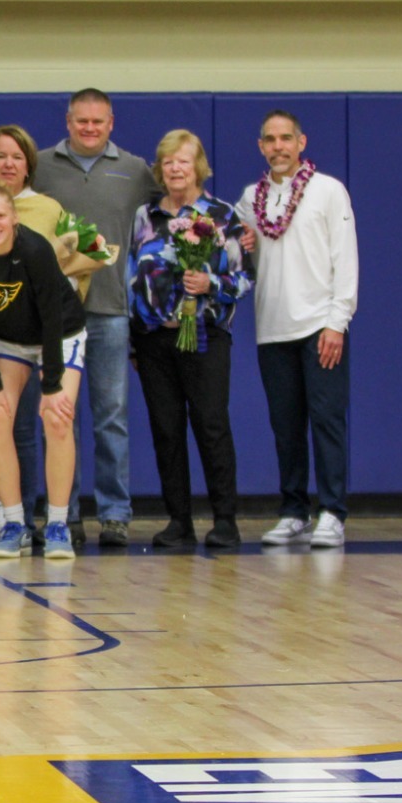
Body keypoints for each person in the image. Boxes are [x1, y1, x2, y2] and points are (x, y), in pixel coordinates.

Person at [33, 89, 162, 549]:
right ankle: (62, 514)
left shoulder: (135, 170)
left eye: (98, 122)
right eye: (81, 121)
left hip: (110, 310)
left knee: (111, 417)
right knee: (58, 416)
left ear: (112, 123)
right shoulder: (40, 165)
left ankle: (114, 514)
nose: (89, 128)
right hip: (55, 315)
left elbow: (170, 215)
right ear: (68, 121)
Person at [237, 109, 359, 549]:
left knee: (326, 420)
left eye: (286, 138)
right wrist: (241, 246)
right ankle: (293, 511)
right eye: (269, 139)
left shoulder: (328, 191)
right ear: (260, 147)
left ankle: (332, 511)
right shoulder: (251, 199)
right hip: (272, 329)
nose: (278, 147)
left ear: (301, 143)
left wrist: (337, 322)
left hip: (319, 326)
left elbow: (345, 260)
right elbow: (242, 262)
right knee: (285, 426)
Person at [129, 130, 251, 550]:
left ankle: (225, 519)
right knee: (166, 428)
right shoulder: (146, 216)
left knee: (211, 424)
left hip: (205, 336)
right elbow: (131, 274)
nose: (175, 169)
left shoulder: (221, 215)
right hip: (153, 341)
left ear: (198, 167)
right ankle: (178, 520)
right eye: (168, 162)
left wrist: (210, 281)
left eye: (183, 161)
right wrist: (134, 334)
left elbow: (244, 277)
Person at [0, 184, 87, 561]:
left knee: (57, 417)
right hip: (8, 341)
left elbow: (51, 317)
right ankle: (14, 524)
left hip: (59, 333)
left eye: (0, 216)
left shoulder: (34, 250)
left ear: (14, 218)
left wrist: (53, 384)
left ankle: (58, 523)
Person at [0, 124, 66, 543]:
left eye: (16, 156)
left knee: (47, 421)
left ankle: (49, 521)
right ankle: (6, 519)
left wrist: (53, 378)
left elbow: (57, 302)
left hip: (51, 333)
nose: (8, 163)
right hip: (2, 336)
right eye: (0, 156)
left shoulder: (44, 221)